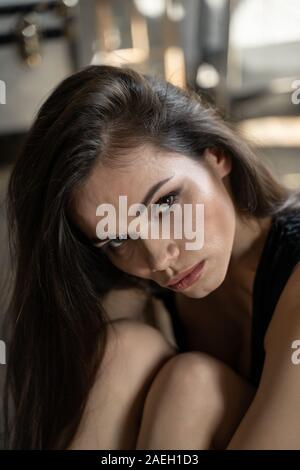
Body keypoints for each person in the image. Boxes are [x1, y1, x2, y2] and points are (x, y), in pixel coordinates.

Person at [3, 64, 300, 450]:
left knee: (191, 385)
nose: (159, 257)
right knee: (125, 350)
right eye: (118, 237)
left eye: (166, 202)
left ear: (216, 157)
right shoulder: (137, 281)